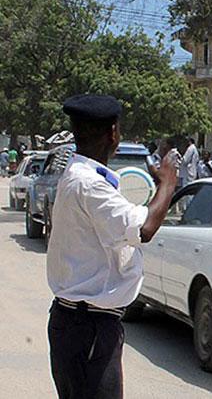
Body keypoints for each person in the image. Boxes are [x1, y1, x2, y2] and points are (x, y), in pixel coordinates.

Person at [46, 94, 178, 398]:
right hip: (88, 324)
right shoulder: (89, 184)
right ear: (113, 133)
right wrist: (168, 182)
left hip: (81, 323)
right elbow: (144, 229)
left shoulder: (83, 176)